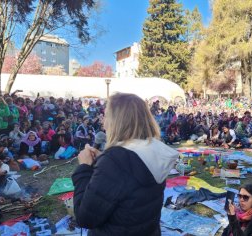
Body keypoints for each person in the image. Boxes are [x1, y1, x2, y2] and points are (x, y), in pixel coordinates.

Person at [72, 93, 178, 235]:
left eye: (107, 116)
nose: (104, 122)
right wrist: (103, 160)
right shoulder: (154, 149)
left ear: (117, 121)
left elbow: (85, 218)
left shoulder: (115, 161)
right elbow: (130, 182)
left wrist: (84, 168)